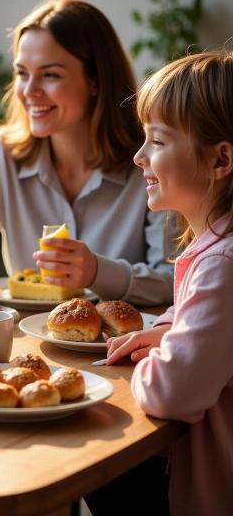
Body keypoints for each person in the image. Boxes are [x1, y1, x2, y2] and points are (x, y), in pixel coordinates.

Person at [0, 0, 174, 305]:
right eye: (22, 73)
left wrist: (96, 272)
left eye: (50, 75)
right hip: (27, 347)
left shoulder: (151, 160)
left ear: (96, 81)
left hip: (130, 347)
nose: (29, 91)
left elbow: (177, 280)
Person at [96, 52, 233, 515]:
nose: (139, 157)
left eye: (156, 141)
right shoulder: (215, 249)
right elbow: (195, 320)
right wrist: (169, 332)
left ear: (221, 159)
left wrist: (158, 352)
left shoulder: (223, 264)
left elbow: (171, 392)